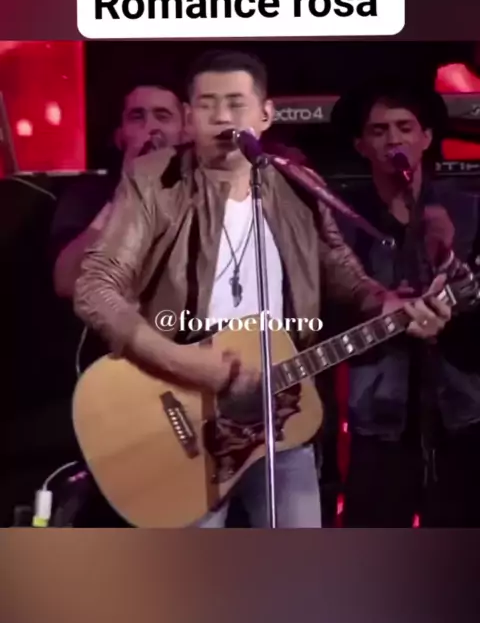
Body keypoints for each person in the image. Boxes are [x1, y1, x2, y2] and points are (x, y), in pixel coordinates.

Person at [72, 51, 451, 529]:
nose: (222, 117)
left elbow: (347, 279)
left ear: (265, 114)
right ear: (188, 117)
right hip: (183, 404)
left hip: (281, 413)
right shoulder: (155, 181)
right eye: (207, 104)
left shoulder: (298, 186)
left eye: (235, 103)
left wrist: (390, 304)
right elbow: (95, 285)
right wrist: (181, 361)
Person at [331, 79, 480, 527]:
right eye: (378, 131)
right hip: (378, 416)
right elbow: (329, 305)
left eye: (405, 127)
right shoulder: (340, 220)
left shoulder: (468, 211)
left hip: (462, 413)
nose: (393, 139)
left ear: (426, 138)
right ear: (361, 145)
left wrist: (447, 260)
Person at [51, 82, 185, 300]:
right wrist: (128, 189)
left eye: (163, 117)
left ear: (185, 132)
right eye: (137, 117)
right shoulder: (86, 195)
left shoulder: (201, 194)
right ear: (119, 136)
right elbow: (67, 281)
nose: (151, 127)